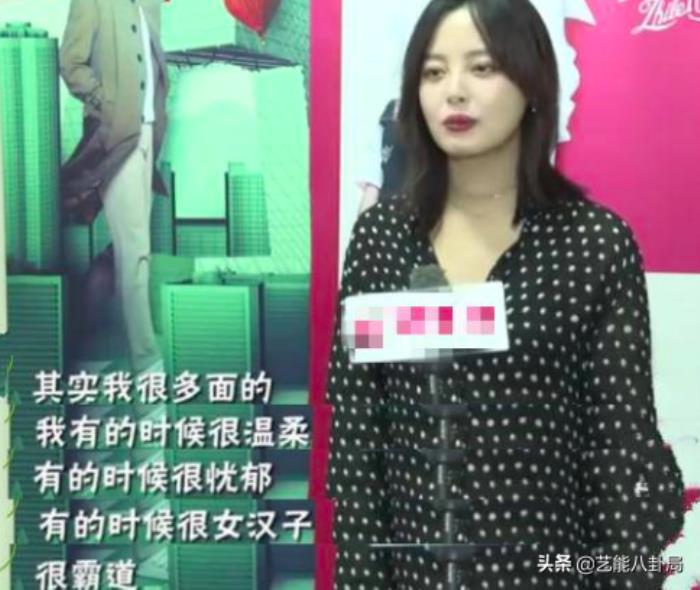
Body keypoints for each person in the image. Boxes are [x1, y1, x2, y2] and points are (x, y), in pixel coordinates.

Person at [325, 1, 685, 588]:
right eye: (434, 72)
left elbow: (620, 453)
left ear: (532, 83)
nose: (454, 91)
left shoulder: (594, 245)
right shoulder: (381, 241)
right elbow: (358, 443)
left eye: (482, 67)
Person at [59, 0, 169, 375]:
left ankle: (114, 352)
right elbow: (71, 63)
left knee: (136, 252)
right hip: (115, 138)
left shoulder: (151, 4)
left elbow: (151, 65)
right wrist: (105, 102)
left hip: (149, 134)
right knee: (135, 251)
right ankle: (147, 362)